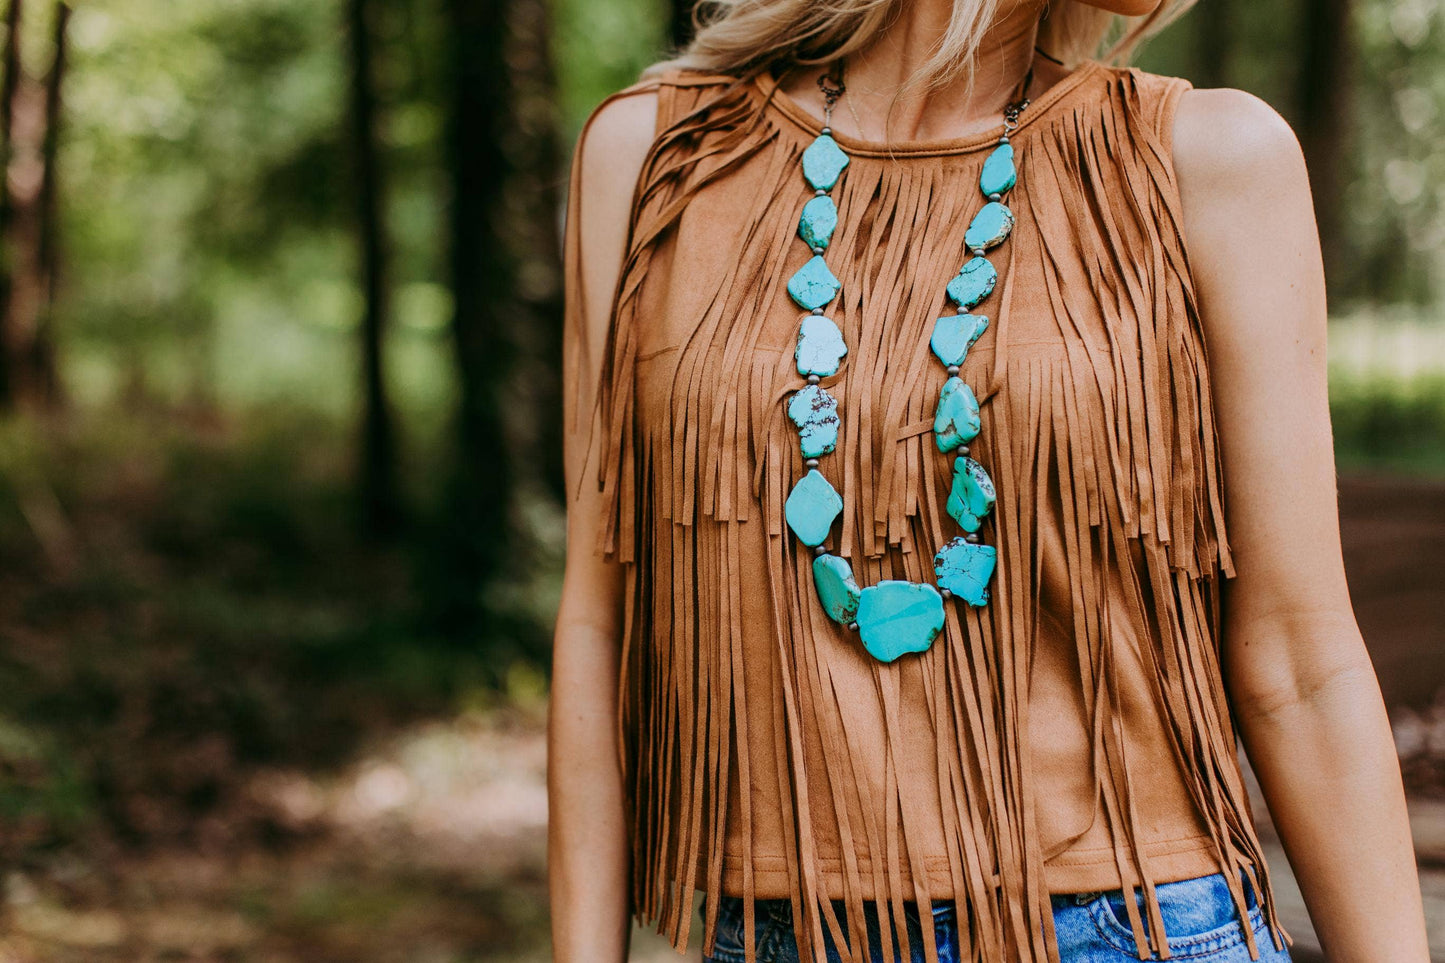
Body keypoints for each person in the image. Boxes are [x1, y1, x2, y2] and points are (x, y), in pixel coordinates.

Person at [548, 0, 1431, 959]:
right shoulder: (655, 155)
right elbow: (600, 622)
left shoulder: (1212, 159)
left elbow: (1302, 666)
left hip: (1135, 928)